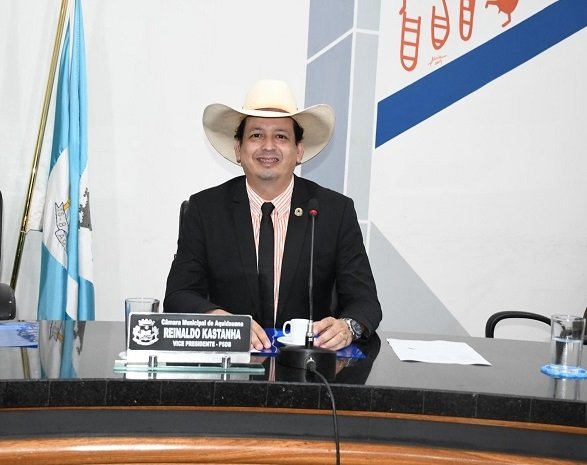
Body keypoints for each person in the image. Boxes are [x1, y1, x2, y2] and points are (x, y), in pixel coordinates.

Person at [164, 79, 381, 351]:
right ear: (238, 149)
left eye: (281, 136)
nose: (268, 146)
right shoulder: (205, 209)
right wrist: (219, 320)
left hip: (308, 366)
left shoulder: (334, 211)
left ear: (298, 150)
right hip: (230, 364)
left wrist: (348, 327)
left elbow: (365, 302)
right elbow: (178, 295)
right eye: (256, 135)